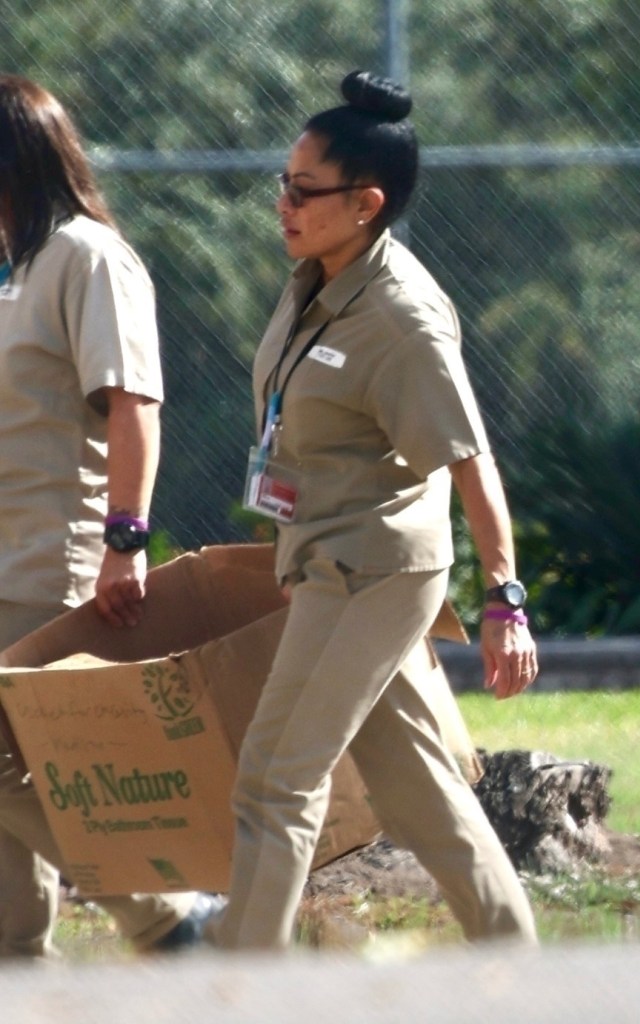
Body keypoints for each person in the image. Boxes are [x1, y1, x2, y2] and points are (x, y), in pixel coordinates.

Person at [212, 70, 539, 951]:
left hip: (375, 572)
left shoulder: (403, 318)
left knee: (276, 781)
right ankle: (518, 960)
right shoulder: (320, 272)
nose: (283, 203)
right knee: (416, 789)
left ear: (366, 203)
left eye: (303, 191)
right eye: (281, 183)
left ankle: (233, 986)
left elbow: (470, 463)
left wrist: (506, 600)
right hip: (325, 559)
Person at [0, 73, 219, 958]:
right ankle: (18, 957)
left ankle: (165, 918)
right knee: (16, 771)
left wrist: (124, 543)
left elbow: (133, 407)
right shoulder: (11, 267)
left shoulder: (89, 258)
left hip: (48, 559)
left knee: (26, 765)